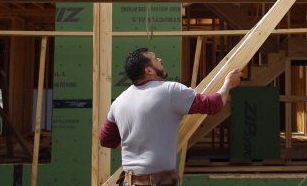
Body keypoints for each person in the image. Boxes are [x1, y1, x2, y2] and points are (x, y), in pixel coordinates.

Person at [100, 48, 242, 186]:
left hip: (129, 181)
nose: (160, 59)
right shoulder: (170, 91)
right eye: (155, 59)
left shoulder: (119, 102)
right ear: (148, 71)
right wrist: (228, 84)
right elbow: (213, 105)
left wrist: (136, 146)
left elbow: (105, 139)